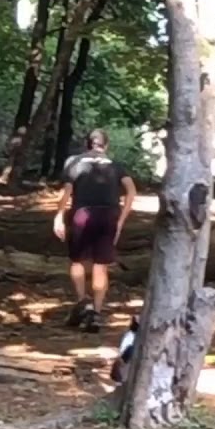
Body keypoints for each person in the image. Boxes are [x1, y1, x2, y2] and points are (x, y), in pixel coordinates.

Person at [52, 129, 136, 332]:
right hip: (109, 216)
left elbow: (66, 192)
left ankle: (83, 302)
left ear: (87, 145)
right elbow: (131, 191)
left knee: (77, 261)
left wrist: (59, 216)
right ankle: (96, 313)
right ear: (106, 146)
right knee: (101, 266)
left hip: (83, 214)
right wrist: (121, 220)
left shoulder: (74, 163)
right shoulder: (116, 166)